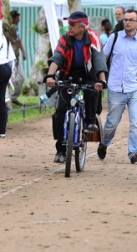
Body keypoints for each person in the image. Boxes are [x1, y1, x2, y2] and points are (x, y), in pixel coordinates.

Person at [45, 11, 107, 163]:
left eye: (72, 25)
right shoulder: (65, 38)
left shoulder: (93, 37)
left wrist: (101, 81)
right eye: (69, 24)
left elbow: (98, 59)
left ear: (82, 27)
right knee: (60, 111)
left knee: (92, 91)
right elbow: (57, 57)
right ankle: (60, 149)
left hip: (88, 74)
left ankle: (90, 121)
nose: (69, 27)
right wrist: (50, 76)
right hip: (68, 74)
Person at [98, 9, 137, 164]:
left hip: (135, 88)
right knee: (112, 123)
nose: (128, 22)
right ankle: (104, 143)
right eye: (126, 20)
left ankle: (134, 154)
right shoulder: (114, 37)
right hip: (116, 87)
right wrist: (100, 77)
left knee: (136, 122)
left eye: (131, 20)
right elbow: (103, 58)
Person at [9, 10, 27, 107]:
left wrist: (23, 52)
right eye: (17, 18)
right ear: (13, 18)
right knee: (11, 79)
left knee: (21, 77)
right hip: (10, 58)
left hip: (16, 57)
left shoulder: (15, 28)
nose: (19, 20)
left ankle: (13, 97)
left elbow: (18, 40)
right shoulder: (6, 29)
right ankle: (8, 99)